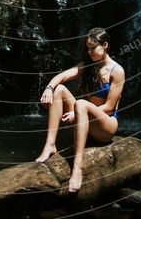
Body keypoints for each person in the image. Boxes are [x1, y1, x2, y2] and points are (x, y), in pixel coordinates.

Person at [35, 27, 125, 194]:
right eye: (88, 48)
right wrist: (48, 88)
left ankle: (77, 169)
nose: (89, 51)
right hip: (85, 118)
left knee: (81, 104)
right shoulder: (88, 66)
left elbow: (109, 107)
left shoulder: (117, 71)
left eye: (93, 47)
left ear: (105, 45)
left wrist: (77, 112)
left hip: (105, 126)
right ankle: (50, 145)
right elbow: (62, 76)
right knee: (60, 89)